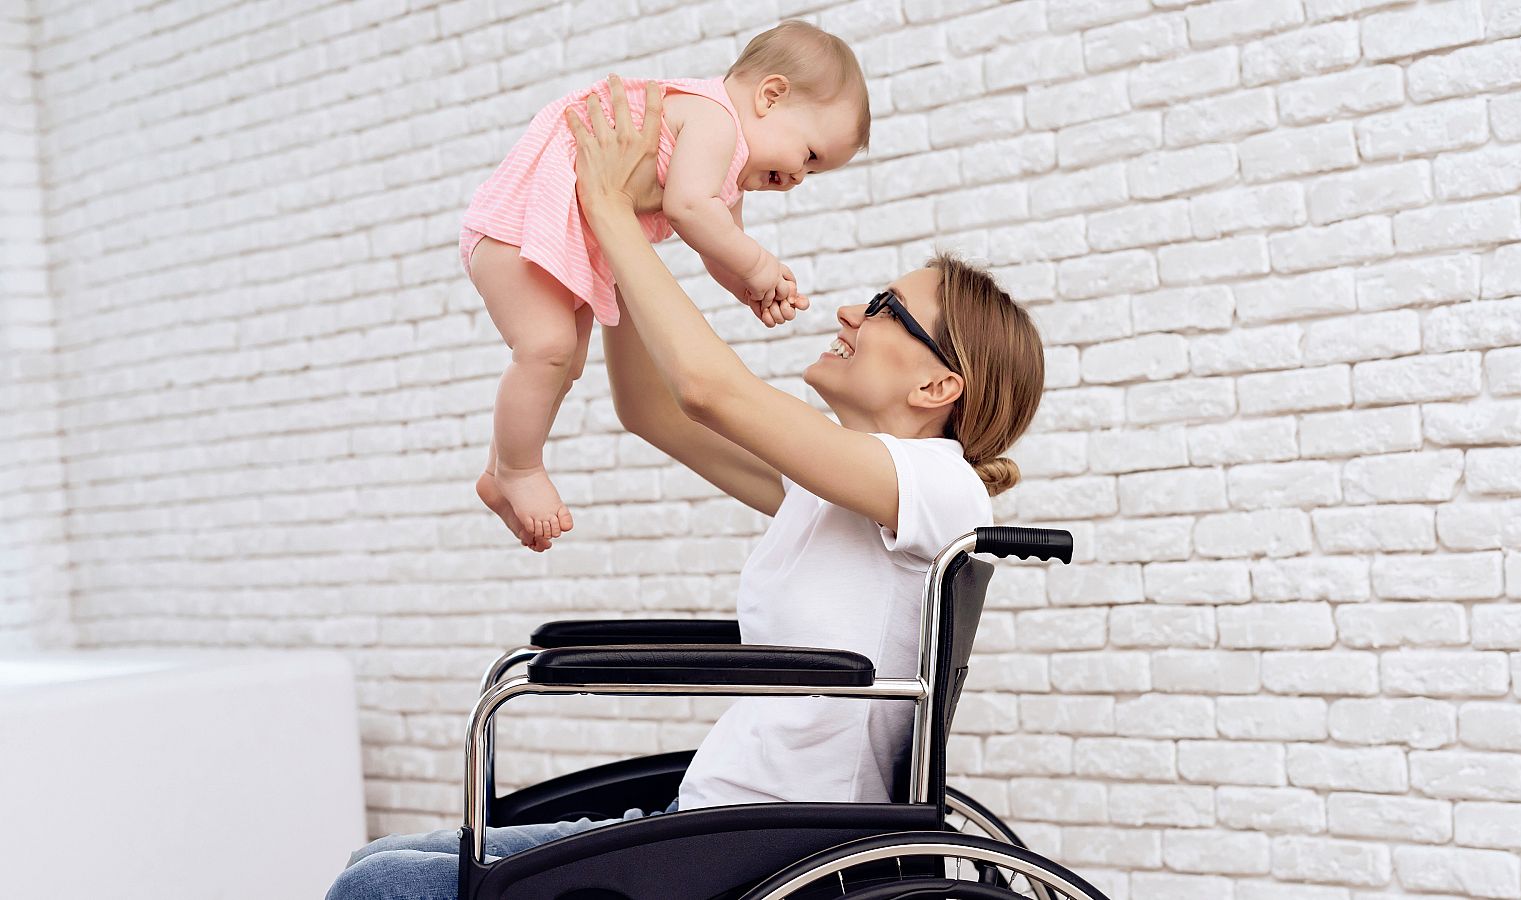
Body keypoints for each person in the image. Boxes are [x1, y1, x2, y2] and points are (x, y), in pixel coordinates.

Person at [325, 76, 1045, 900]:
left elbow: (708, 390)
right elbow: (654, 410)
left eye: (886, 307)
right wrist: (625, 232)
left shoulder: (939, 486)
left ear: (937, 387)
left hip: (770, 845)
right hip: (714, 819)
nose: (850, 311)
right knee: (374, 866)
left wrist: (606, 208)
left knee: (380, 889)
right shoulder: (839, 489)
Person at [467, 20, 871, 549]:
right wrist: (756, 264)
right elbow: (687, 209)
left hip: (573, 238)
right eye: (810, 155)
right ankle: (519, 470)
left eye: (813, 175)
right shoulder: (714, 121)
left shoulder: (729, 166)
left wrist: (746, 286)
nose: (798, 178)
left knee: (563, 364)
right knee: (547, 348)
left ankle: (499, 469)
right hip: (522, 225)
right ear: (770, 96)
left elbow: (716, 241)